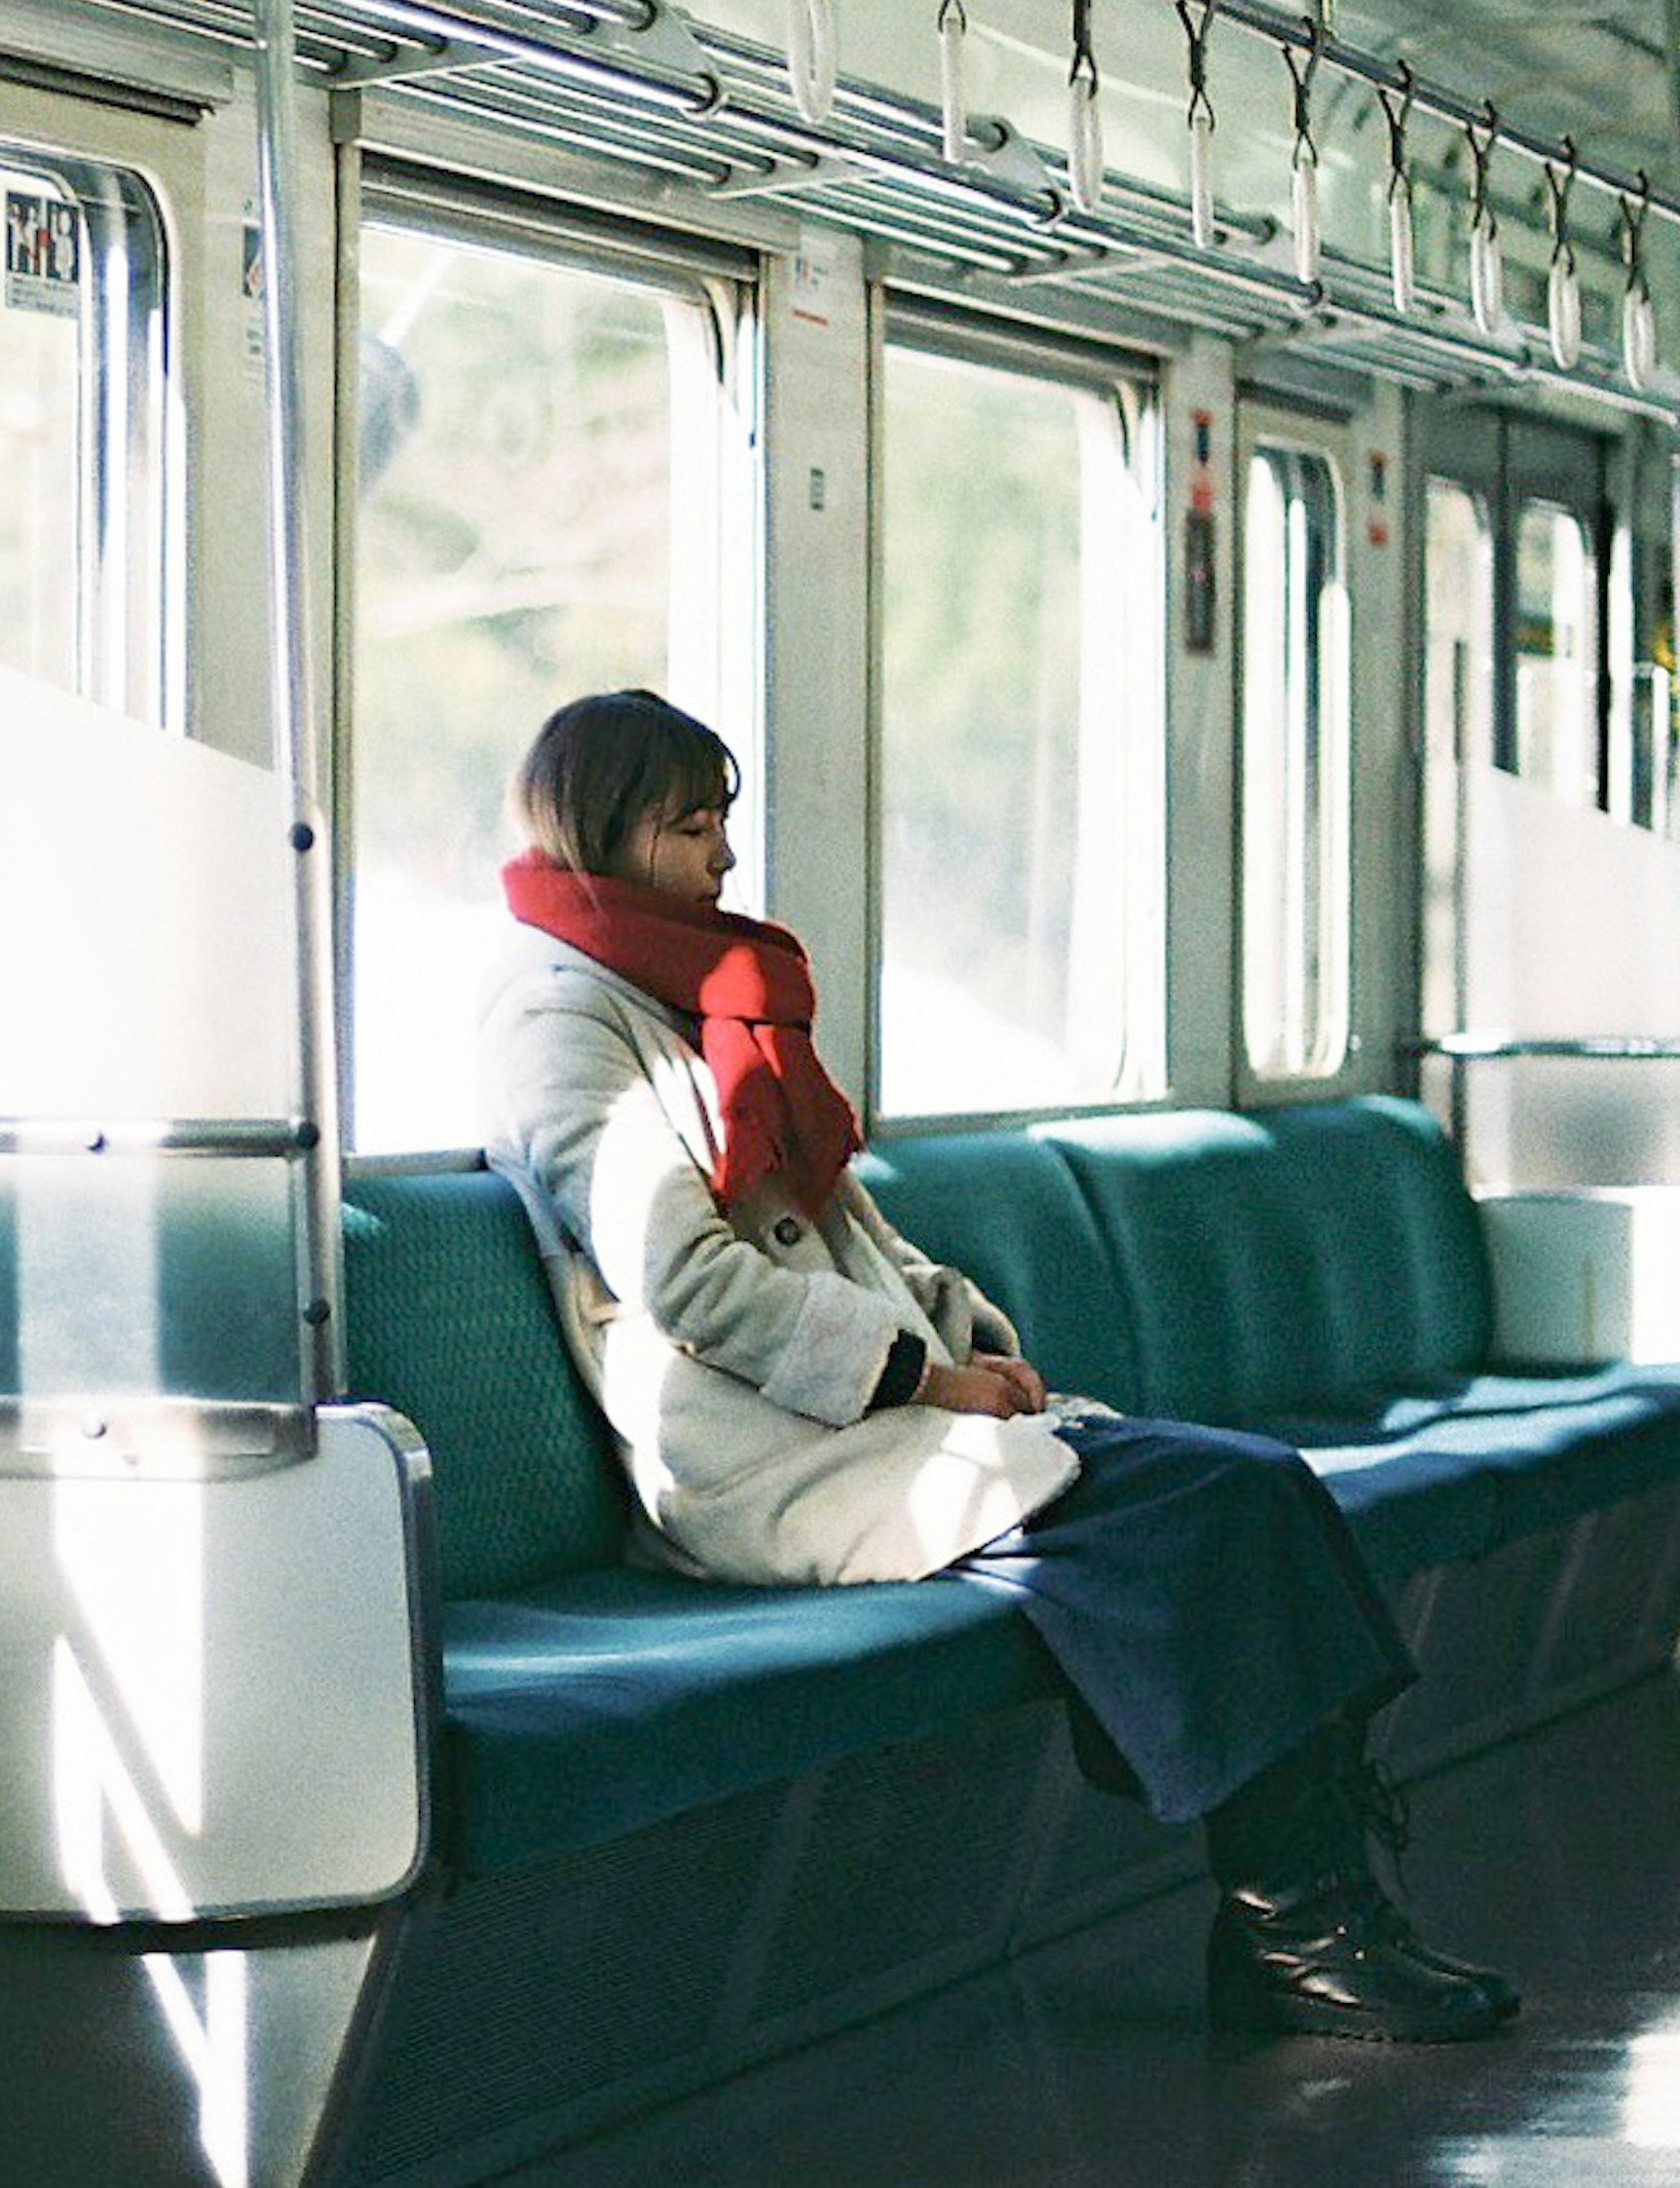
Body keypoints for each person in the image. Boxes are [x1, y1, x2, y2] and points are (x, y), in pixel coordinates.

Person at [477, 687, 1515, 2045]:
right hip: (768, 1450)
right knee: (1218, 1506)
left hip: (866, 1420)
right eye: (691, 826)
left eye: (723, 822)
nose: (725, 857)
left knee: (1254, 1494)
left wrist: (961, 1334)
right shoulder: (564, 1019)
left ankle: (1306, 1915)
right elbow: (688, 1276)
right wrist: (919, 1378)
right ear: (601, 833)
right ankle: (1302, 1929)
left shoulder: (701, 997)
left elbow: (843, 1224)